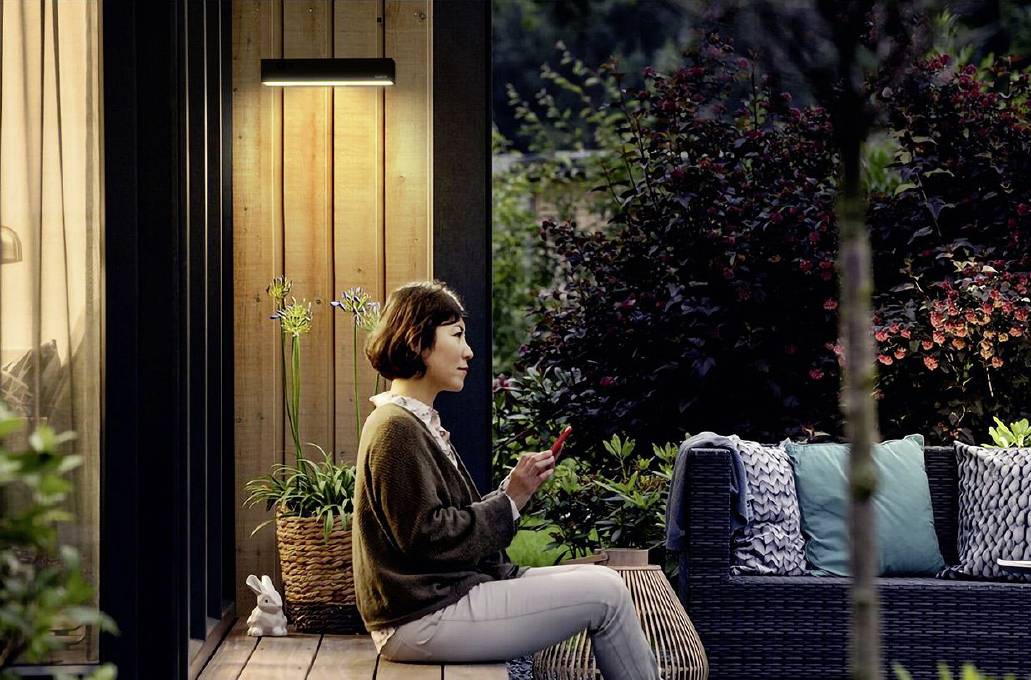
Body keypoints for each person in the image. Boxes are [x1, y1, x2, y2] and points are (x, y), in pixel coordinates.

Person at [352, 280, 659, 679]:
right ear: (418, 342)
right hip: (421, 617)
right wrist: (509, 499)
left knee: (606, 579)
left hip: (440, 601)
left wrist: (515, 491)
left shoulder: (413, 422)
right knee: (608, 594)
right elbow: (427, 538)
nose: (469, 351)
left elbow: (443, 522)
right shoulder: (395, 428)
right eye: (457, 335)